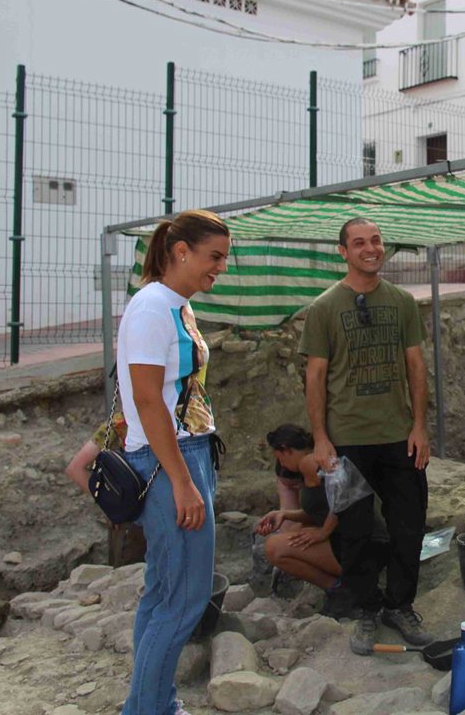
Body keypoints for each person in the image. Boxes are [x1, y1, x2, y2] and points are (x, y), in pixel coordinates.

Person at [300, 216, 432, 652]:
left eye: (375, 240)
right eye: (359, 243)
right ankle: (367, 610)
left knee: (408, 527)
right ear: (344, 252)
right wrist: (320, 439)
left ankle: (400, 605)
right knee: (354, 533)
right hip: (347, 442)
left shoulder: (402, 302)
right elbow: (315, 377)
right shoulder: (324, 308)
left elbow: (416, 365)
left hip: (398, 436)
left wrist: (419, 426)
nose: (370, 248)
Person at [116, 209, 229, 715]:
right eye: (214, 257)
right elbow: (146, 400)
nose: (220, 268)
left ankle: (151, 703)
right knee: (184, 598)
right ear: (181, 252)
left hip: (184, 455)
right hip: (169, 463)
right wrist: (184, 483)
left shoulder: (176, 306)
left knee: (162, 591)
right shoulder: (151, 308)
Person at [253, 424, 359, 617]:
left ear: (287, 450)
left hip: (357, 545)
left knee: (274, 548)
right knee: (295, 534)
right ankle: (341, 587)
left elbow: (344, 494)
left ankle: (340, 589)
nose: (282, 465)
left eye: (280, 458)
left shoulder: (309, 462)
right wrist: (284, 514)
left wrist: (324, 532)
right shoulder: (313, 462)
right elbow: (321, 510)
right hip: (353, 540)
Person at [66, 413, 147, 568]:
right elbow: (75, 469)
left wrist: (111, 506)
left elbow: (75, 468)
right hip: (134, 527)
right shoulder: (120, 423)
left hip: (132, 520)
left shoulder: (120, 421)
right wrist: (111, 507)